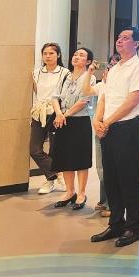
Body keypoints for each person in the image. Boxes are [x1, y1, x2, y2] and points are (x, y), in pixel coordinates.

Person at [90, 27, 139, 247]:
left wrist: (107, 122)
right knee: (111, 178)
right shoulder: (114, 69)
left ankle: (133, 227)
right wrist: (98, 120)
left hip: (127, 128)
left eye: (125, 38)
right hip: (108, 128)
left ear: (136, 44)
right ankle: (116, 223)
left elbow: (132, 101)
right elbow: (104, 98)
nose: (119, 41)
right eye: (119, 37)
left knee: (129, 178)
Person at [50, 47, 96, 210]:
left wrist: (65, 114)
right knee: (65, 158)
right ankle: (70, 192)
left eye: (81, 55)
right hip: (62, 120)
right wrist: (59, 114)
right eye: (75, 54)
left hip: (80, 121)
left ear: (88, 61)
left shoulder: (90, 77)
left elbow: (84, 100)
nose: (76, 57)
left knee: (80, 158)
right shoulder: (65, 76)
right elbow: (54, 97)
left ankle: (81, 193)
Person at [30, 42, 69, 194]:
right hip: (39, 113)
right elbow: (36, 91)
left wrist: (62, 113)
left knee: (54, 149)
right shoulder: (36, 73)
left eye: (51, 53)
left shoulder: (65, 73)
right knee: (34, 150)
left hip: (56, 113)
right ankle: (58, 173)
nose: (47, 56)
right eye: (45, 53)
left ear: (58, 55)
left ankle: (49, 181)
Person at [85, 53, 120, 217]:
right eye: (109, 66)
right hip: (99, 127)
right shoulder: (102, 85)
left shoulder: (119, 88)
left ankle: (112, 204)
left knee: (111, 167)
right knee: (101, 167)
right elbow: (86, 90)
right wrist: (89, 72)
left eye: (113, 66)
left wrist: (102, 123)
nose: (108, 70)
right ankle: (104, 200)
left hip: (112, 127)